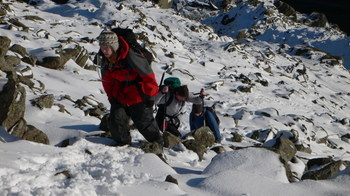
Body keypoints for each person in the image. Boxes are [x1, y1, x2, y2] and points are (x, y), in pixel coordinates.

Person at [94, 29, 163, 146]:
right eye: (102, 47)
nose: (104, 50)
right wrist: (111, 97)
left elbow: (148, 76)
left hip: (138, 95)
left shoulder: (130, 55)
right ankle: (124, 145)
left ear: (114, 46)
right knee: (116, 121)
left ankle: (158, 144)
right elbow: (107, 81)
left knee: (144, 123)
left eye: (107, 47)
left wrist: (150, 97)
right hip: (120, 95)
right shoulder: (105, 59)